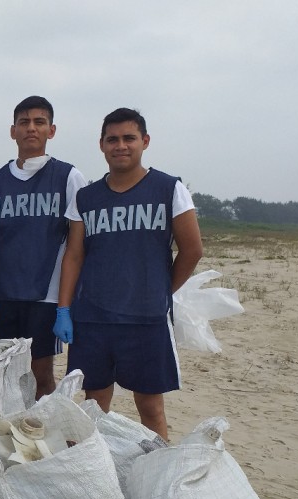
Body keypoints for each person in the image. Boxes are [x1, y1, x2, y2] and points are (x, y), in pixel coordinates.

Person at [55, 108, 203, 439]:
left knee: (150, 408)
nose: (120, 145)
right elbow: (75, 255)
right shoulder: (86, 197)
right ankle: (99, 473)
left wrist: (163, 289)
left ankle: (158, 476)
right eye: (112, 139)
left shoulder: (168, 189)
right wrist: (64, 309)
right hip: (93, 318)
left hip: (145, 320)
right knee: (94, 405)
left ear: (144, 141)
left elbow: (192, 250)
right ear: (102, 145)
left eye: (128, 138)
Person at [0, 96, 88, 397]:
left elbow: (78, 248)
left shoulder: (68, 177)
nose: (31, 128)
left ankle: (42, 435)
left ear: (51, 130)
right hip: (2, 295)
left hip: (45, 296)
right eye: (24, 122)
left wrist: (65, 306)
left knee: (41, 373)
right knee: (2, 372)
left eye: (39, 122)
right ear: (12, 131)